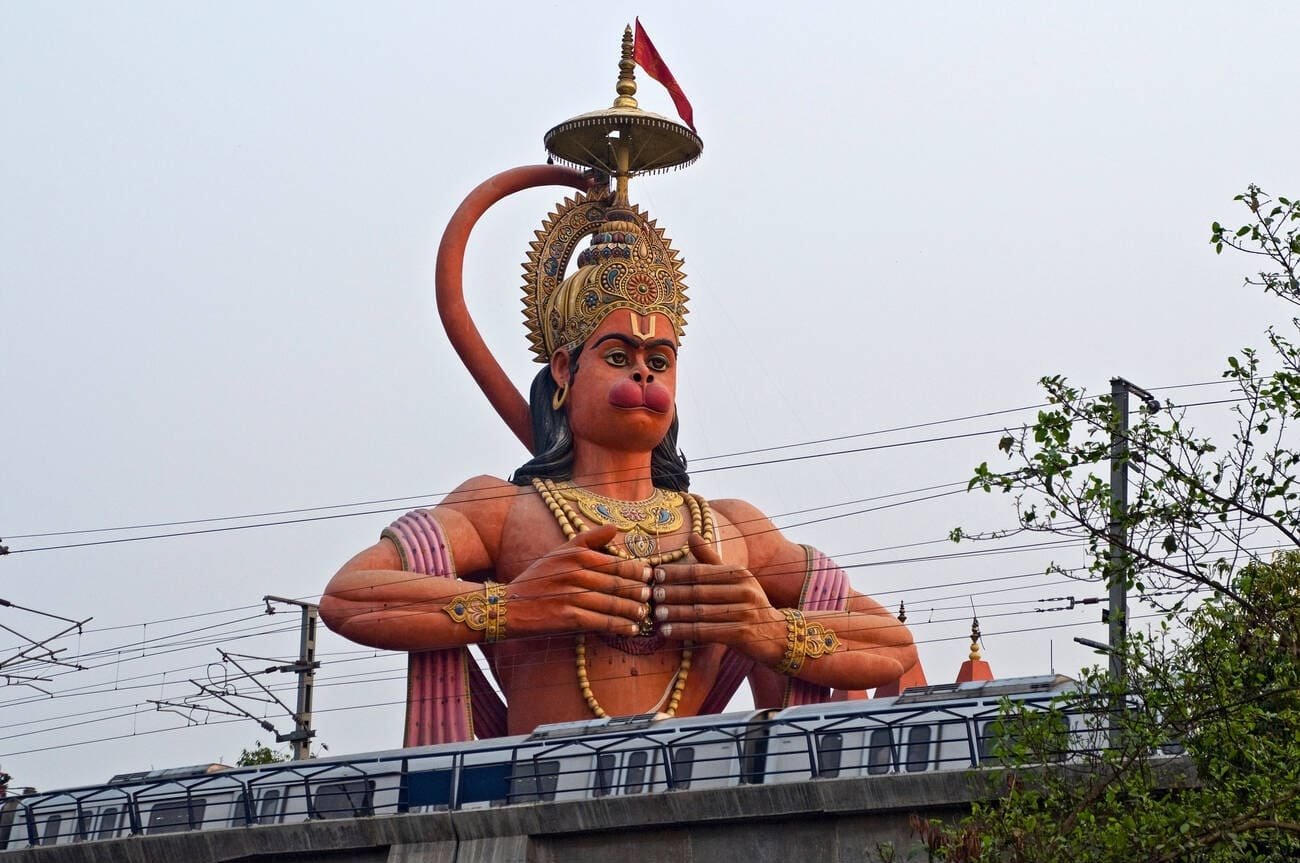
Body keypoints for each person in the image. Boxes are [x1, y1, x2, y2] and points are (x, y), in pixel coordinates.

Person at [319, 33, 919, 745]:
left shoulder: (726, 528)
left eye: (659, 359)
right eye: (620, 354)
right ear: (565, 370)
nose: (643, 372)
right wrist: (511, 606)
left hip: (694, 799)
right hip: (533, 805)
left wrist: (764, 626)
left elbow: (889, 642)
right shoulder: (505, 513)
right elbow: (350, 593)